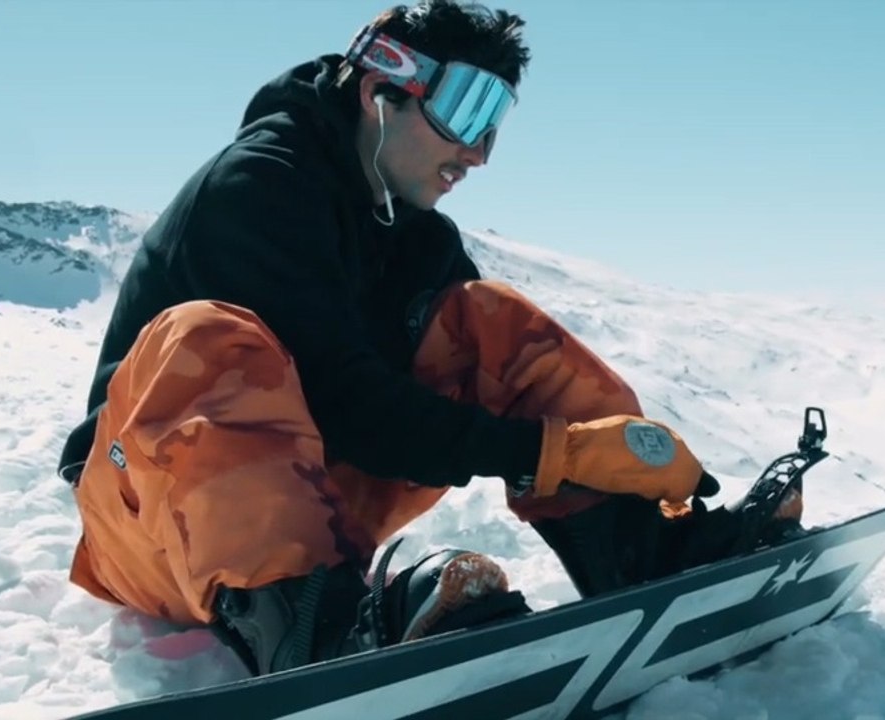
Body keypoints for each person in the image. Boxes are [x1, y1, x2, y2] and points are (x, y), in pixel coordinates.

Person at [56, 0, 802, 678]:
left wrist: (610, 459)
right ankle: (317, 633)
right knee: (210, 337)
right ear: (381, 85)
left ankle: (644, 550)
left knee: (489, 319)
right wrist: (553, 451)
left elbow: (439, 405)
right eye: (465, 109)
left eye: (493, 120)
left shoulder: (413, 238)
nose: (477, 154)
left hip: (307, 503)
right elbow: (348, 400)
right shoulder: (255, 191)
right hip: (153, 521)